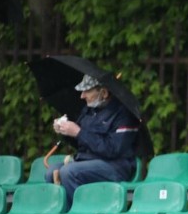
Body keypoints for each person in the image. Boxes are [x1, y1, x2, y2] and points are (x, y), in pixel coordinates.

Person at [45, 74, 140, 206]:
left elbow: (112, 149)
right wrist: (66, 131)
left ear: (104, 92)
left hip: (115, 166)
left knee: (69, 172)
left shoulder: (124, 114)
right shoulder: (89, 110)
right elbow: (81, 142)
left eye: (87, 91)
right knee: (50, 173)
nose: (82, 96)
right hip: (87, 161)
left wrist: (78, 132)